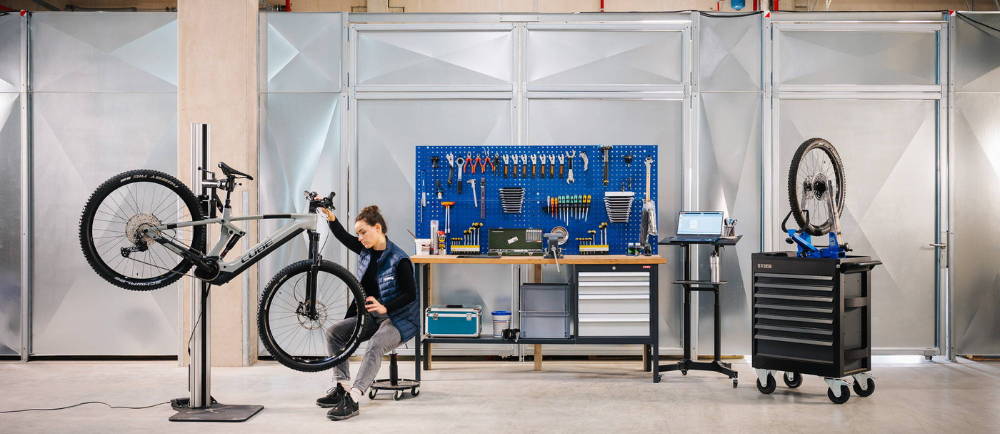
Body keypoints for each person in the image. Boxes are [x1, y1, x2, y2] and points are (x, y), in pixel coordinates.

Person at [315, 205, 419, 421]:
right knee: (334, 333)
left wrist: (386, 308)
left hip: (399, 319)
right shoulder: (366, 250)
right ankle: (342, 388)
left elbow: (411, 294)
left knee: (375, 345)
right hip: (372, 317)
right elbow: (343, 237)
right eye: (358, 233)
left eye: (363, 232)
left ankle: (353, 398)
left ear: (378, 228)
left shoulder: (399, 259)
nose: (359, 238)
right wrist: (331, 218)